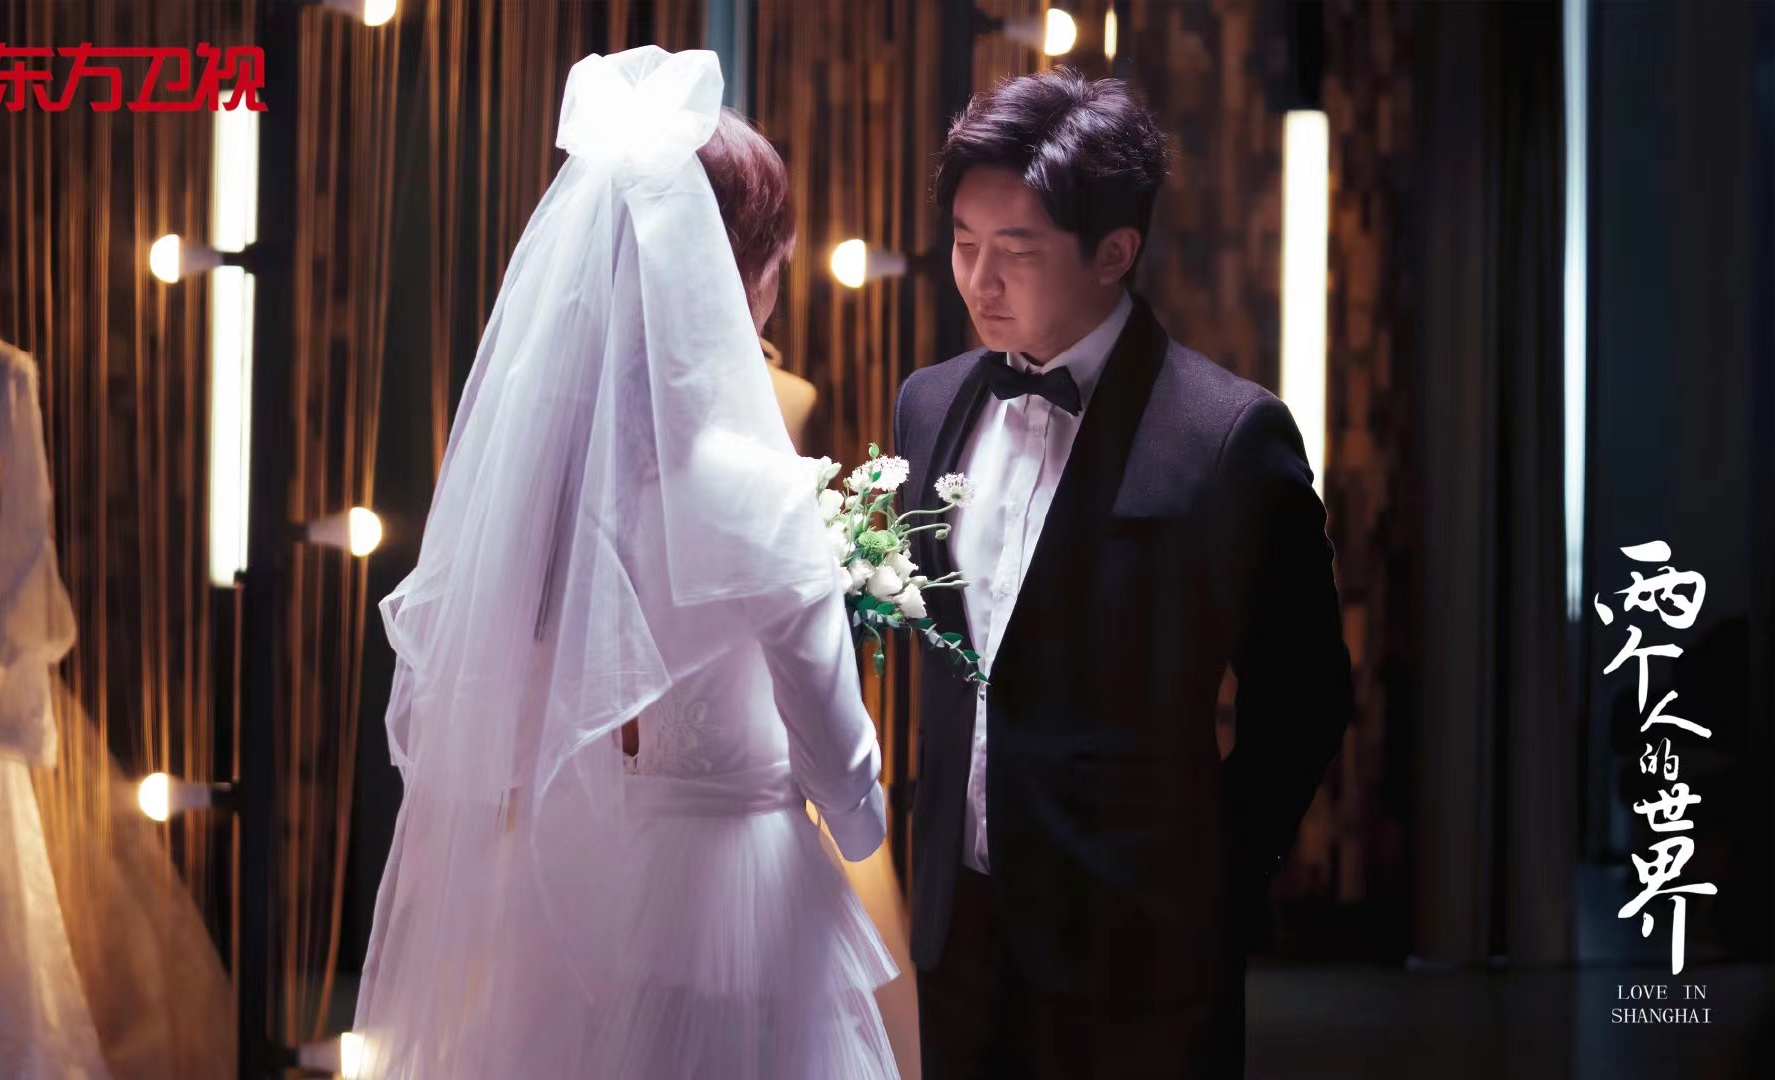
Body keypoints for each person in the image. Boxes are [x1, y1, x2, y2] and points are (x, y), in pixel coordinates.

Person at [351, 46, 900, 1079]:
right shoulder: (758, 487)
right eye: (773, 264)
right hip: (741, 896)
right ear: (735, 271)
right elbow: (837, 762)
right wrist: (863, 826)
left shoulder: (546, 478)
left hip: (573, 885)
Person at [893, 69, 1354, 1078]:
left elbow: (1306, 695)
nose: (979, 281)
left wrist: (1209, 885)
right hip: (955, 933)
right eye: (964, 243)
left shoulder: (1224, 436)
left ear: (1114, 252)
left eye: (1016, 250)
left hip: (1140, 953)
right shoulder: (925, 406)